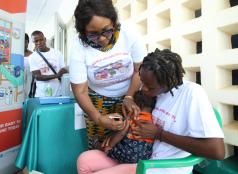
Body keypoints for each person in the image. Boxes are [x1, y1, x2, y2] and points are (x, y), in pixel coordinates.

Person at [76, 48, 225, 174]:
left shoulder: (192, 94)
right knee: (84, 160)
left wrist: (158, 134)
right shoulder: (156, 90)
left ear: (169, 82)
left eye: (150, 87)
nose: (143, 89)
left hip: (163, 168)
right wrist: (126, 115)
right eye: (142, 82)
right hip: (141, 156)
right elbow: (139, 116)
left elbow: (216, 151)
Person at [69, 0, 146, 150]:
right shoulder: (78, 47)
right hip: (96, 101)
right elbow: (81, 90)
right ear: (83, 32)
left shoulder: (129, 33)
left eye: (106, 31)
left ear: (114, 22)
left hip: (130, 95)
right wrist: (97, 118)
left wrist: (130, 96)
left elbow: (140, 69)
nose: (102, 39)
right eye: (93, 34)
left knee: (130, 144)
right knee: (101, 147)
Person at [95, 90, 156, 165]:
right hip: (144, 156)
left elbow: (121, 133)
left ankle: (99, 146)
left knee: (109, 146)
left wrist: (110, 146)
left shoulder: (133, 117)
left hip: (129, 154)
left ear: (134, 105)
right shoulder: (154, 119)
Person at [29, 30, 68, 97]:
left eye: (41, 40)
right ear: (33, 42)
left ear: (45, 39)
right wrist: (57, 75)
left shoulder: (57, 53)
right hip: (41, 95)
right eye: (36, 41)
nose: (39, 43)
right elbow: (37, 77)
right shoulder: (32, 57)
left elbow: (63, 70)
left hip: (58, 93)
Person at [23, 33, 33, 99]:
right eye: (22, 42)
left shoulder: (32, 54)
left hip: (30, 77)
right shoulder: (17, 54)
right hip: (20, 76)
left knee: (28, 91)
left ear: (28, 42)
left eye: (26, 42)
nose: (24, 44)